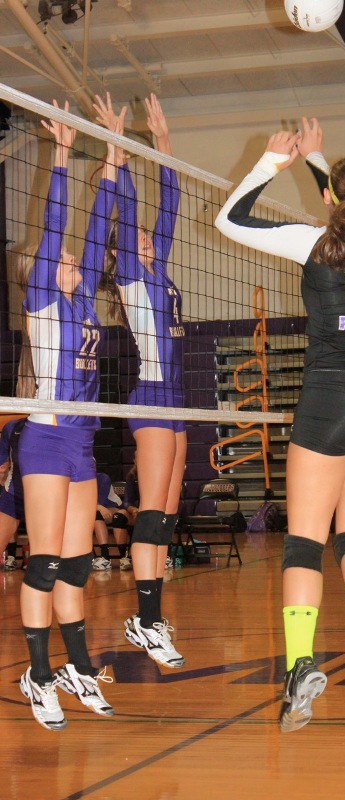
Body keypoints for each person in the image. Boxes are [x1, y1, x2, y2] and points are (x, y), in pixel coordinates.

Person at [215, 117, 345, 732]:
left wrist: (272, 163)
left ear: (330, 199)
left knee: (304, 541)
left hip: (332, 400)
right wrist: (319, 158)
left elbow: (230, 221)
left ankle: (301, 668)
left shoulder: (315, 243)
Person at [16, 99, 123, 731]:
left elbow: (93, 229)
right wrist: (60, 155)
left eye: (73, 262)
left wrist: (112, 162)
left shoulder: (84, 303)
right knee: (46, 561)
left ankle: (78, 666)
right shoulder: (42, 301)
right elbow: (56, 226)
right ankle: (39, 675)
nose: (69, 262)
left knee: (77, 566)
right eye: (59, 260)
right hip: (47, 441)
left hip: (83, 445)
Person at [94, 93, 186, 669]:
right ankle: (146, 621)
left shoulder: (163, 268)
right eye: (136, 240)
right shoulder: (131, 274)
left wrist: (163, 142)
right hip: (151, 396)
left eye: (149, 239)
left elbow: (169, 202)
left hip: (179, 400)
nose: (146, 239)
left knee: (168, 511)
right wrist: (119, 149)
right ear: (122, 253)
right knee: (151, 509)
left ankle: (152, 616)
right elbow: (128, 212)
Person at [0, 417, 26, 570]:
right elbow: (2, 463)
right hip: (14, 493)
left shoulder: (59, 425)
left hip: (45, 497)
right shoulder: (12, 427)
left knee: (44, 560)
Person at [92, 471, 131, 571]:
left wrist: (98, 507)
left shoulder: (103, 478)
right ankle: (101, 557)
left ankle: (122, 557)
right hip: (94, 510)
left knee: (99, 515)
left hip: (115, 507)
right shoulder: (78, 480)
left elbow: (100, 502)